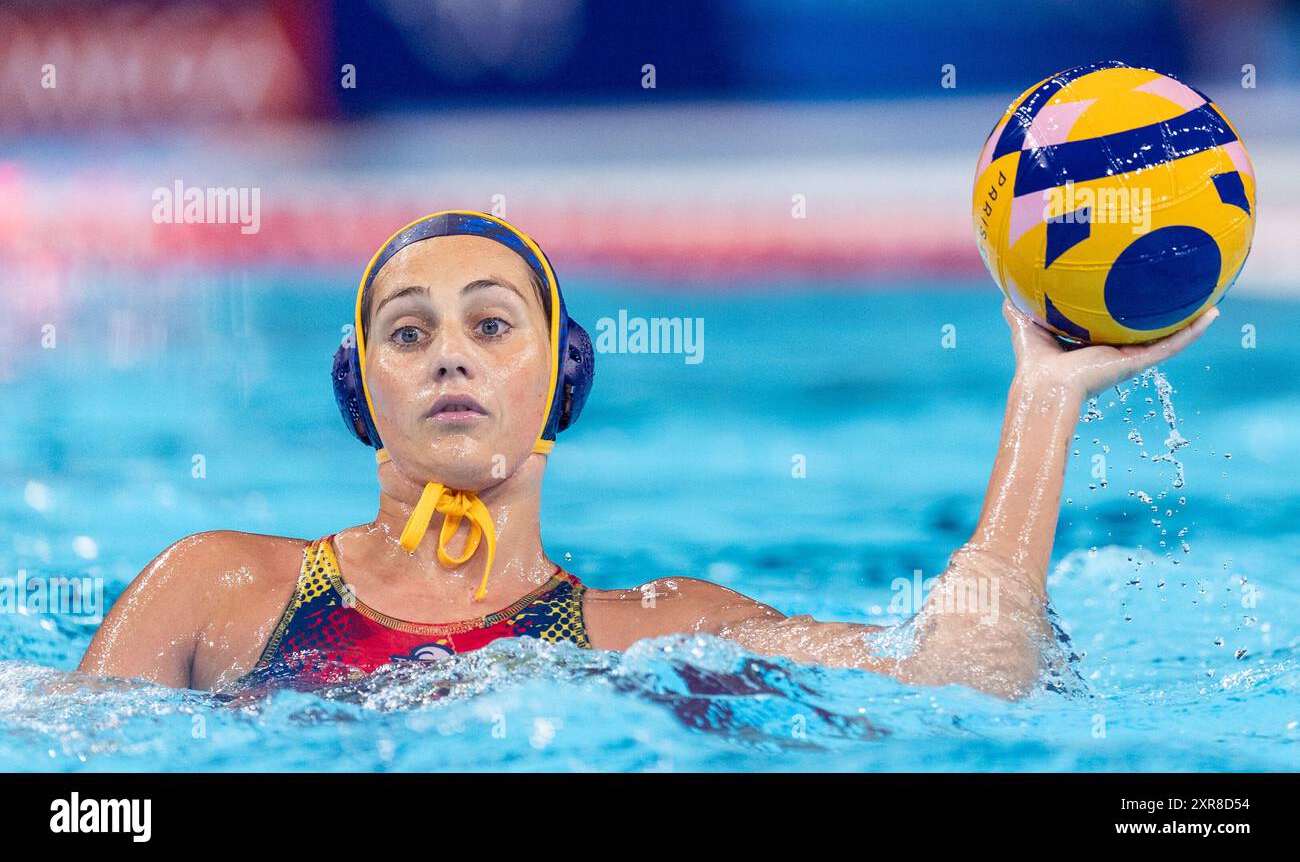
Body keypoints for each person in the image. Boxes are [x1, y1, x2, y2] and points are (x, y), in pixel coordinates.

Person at [77, 211, 1218, 700]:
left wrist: (1044, 392)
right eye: (408, 333)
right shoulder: (217, 583)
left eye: (489, 324)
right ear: (360, 390)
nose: (447, 360)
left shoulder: (657, 630)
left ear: (558, 379)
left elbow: (967, 678)